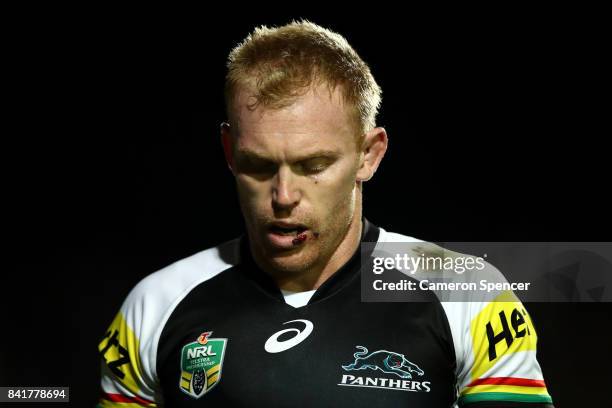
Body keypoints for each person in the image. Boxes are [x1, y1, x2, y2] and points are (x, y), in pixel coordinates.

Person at [97, 20, 554, 407]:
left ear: (369, 155)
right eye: (258, 166)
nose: (283, 195)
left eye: (313, 166)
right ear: (229, 153)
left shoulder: (468, 295)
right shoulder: (154, 306)